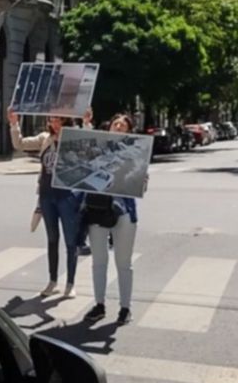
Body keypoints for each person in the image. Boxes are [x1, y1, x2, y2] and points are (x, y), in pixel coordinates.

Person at [10, 109, 82, 297]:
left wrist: (88, 123)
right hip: (47, 195)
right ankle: (52, 281)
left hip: (67, 196)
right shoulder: (45, 138)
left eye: (58, 120)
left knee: (70, 241)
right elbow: (19, 143)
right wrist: (14, 124)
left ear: (66, 120)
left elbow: (89, 148)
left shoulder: (73, 138)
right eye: (51, 120)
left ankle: (70, 283)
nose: (54, 123)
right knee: (52, 239)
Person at [83, 114, 143, 323]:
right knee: (99, 260)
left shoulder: (135, 153)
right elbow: (85, 151)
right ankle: (99, 305)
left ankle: (125, 308)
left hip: (124, 212)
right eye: (115, 123)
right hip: (98, 209)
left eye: (123, 125)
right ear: (108, 126)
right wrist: (87, 122)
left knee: (123, 262)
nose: (118, 127)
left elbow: (139, 184)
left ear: (128, 131)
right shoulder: (99, 149)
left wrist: (141, 181)